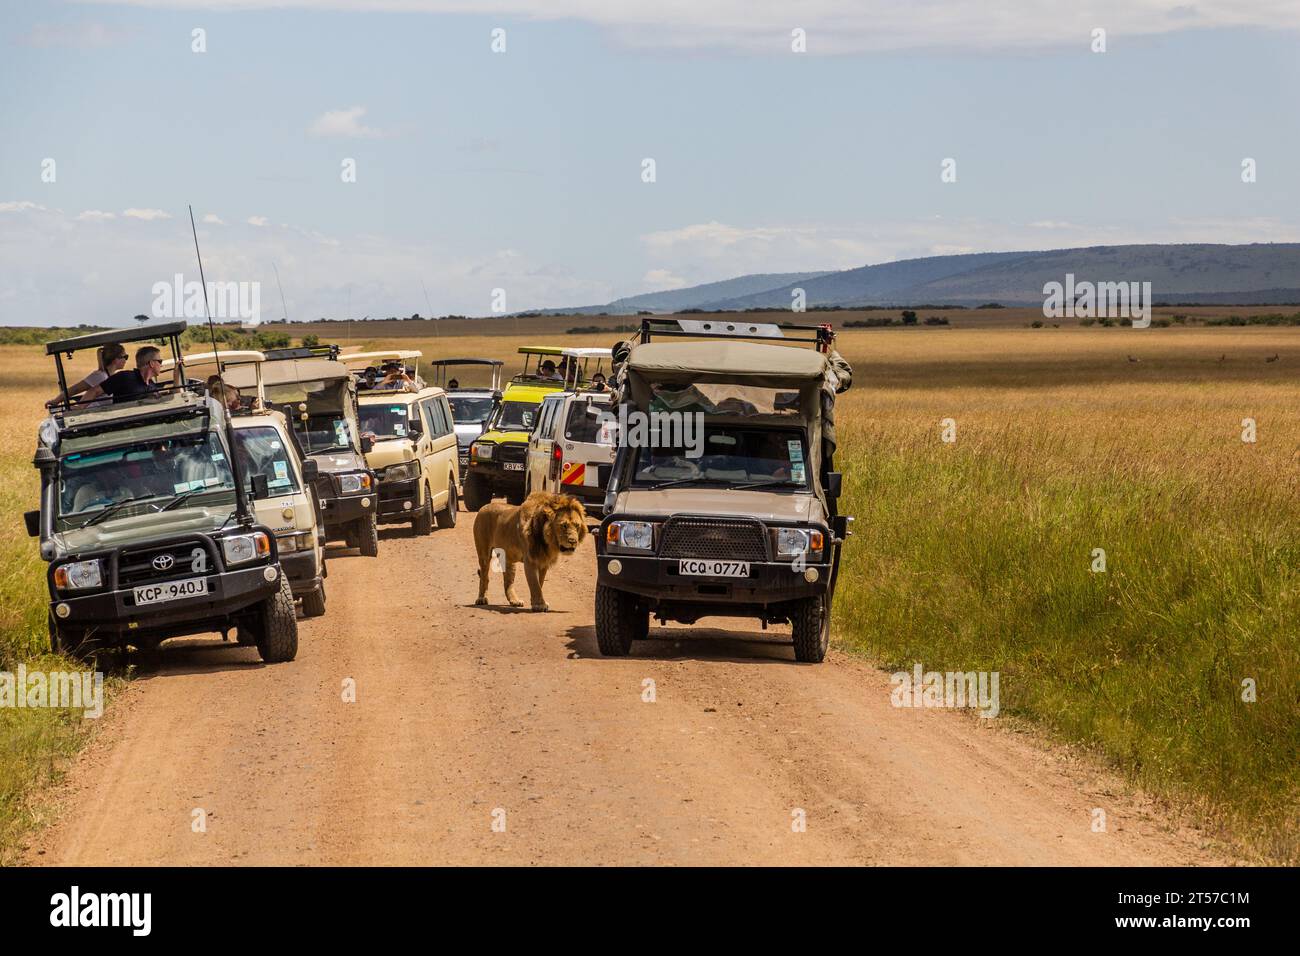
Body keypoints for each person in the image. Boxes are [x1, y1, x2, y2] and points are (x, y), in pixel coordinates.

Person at [47, 342, 127, 408]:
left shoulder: (111, 375)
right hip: (90, 415)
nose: (126, 360)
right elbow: (75, 389)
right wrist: (56, 401)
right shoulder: (100, 376)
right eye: (125, 357)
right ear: (116, 359)